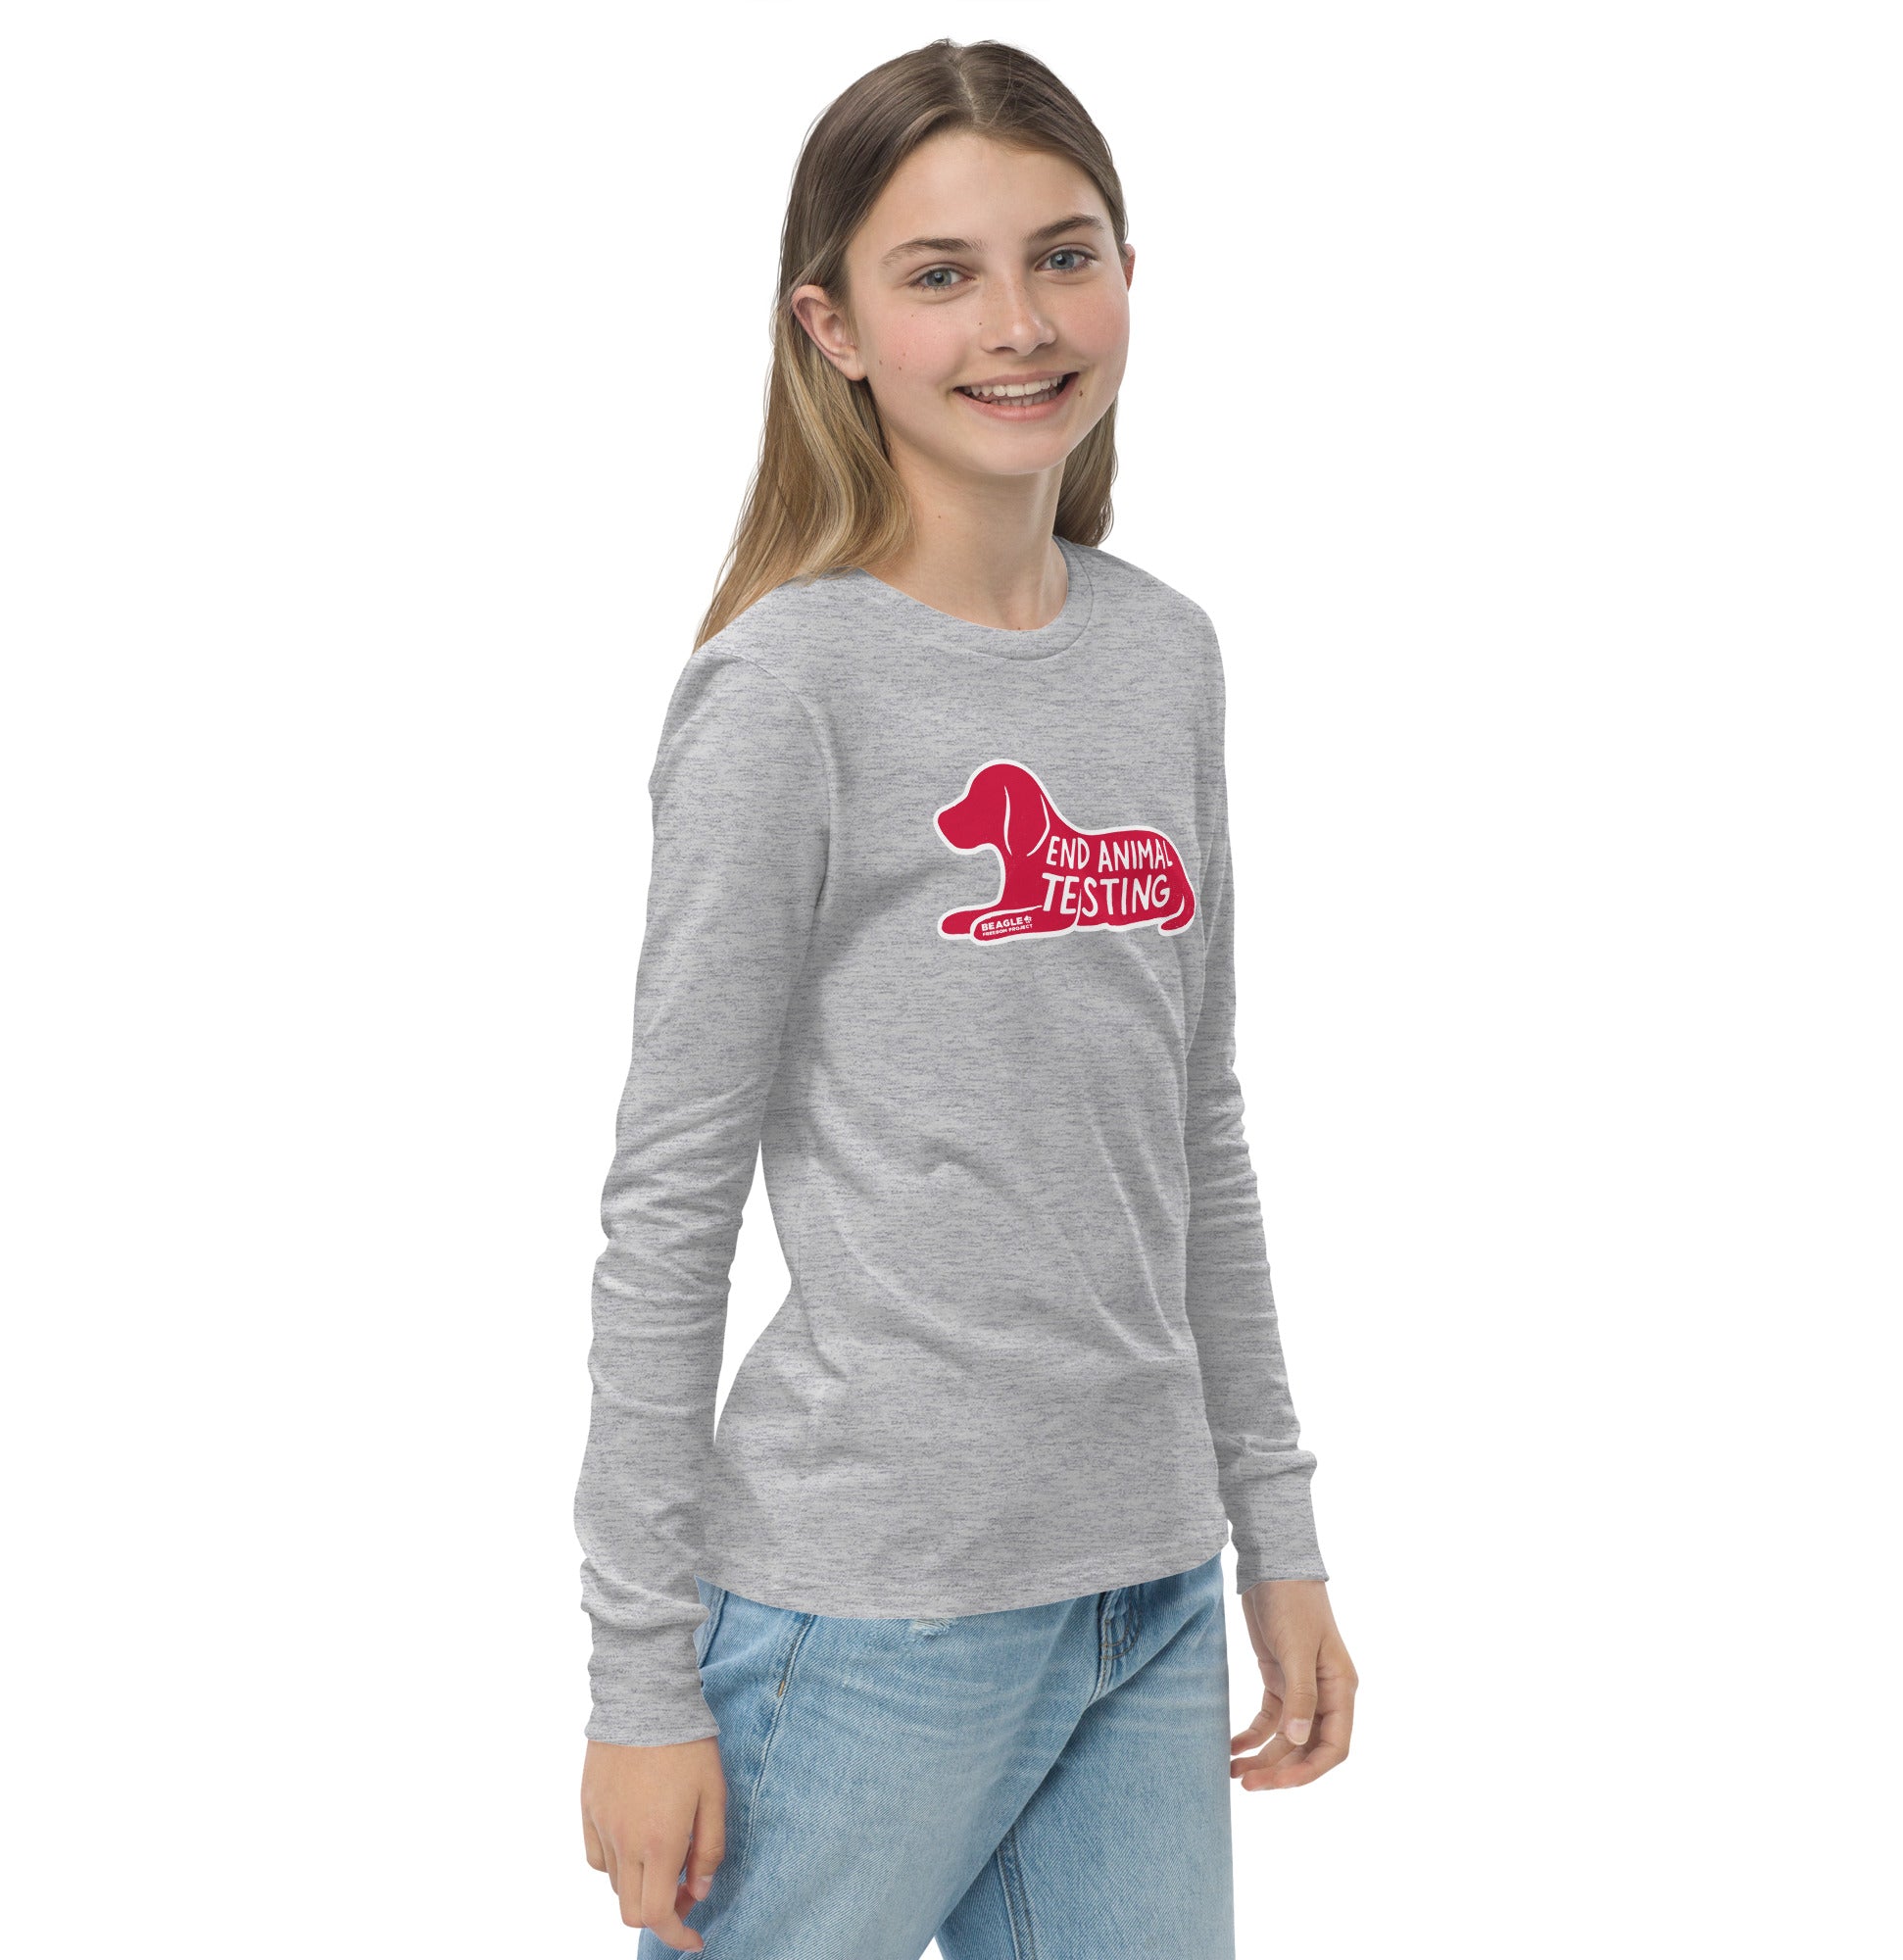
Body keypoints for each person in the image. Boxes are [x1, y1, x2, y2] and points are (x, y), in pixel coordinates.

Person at [573, 37, 1358, 1958]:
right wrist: (638, 1680)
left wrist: (1276, 1535)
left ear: (1127, 275)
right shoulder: (788, 692)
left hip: (1145, 1592)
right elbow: (669, 1200)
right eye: (941, 275)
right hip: (870, 1615)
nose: (1018, 324)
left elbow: (1197, 1132)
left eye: (1062, 255)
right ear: (832, 329)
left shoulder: (1163, 654)